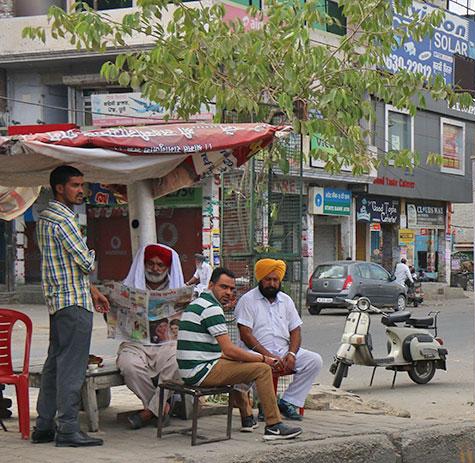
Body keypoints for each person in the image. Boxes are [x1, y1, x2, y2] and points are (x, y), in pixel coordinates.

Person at [32, 165, 110, 447]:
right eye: (75, 185)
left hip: (59, 302)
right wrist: (93, 251)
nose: (81, 191)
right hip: (73, 304)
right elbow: (85, 262)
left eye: (81, 185)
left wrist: (93, 290)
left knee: (54, 363)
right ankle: (67, 428)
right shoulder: (64, 220)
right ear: (60, 188)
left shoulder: (44, 218)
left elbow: (66, 267)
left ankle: (43, 425)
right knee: (71, 367)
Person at [177, 267, 302, 440]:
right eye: (223, 287)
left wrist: (256, 359)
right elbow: (229, 350)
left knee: (247, 365)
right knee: (262, 369)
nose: (228, 292)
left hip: (196, 367)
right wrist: (264, 359)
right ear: (211, 285)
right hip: (201, 371)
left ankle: (247, 416)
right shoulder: (211, 308)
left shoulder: (199, 303)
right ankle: (274, 425)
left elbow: (223, 351)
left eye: (231, 289)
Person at [235, 258, 323, 421]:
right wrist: (267, 356)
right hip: (255, 353)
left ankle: (288, 401)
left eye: (275, 280)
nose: (272, 284)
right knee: (260, 366)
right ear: (260, 280)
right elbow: (245, 334)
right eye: (268, 279)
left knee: (314, 361)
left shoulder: (286, 300)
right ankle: (264, 405)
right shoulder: (247, 300)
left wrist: (291, 354)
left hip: (283, 351)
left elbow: (296, 330)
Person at [117, 243, 185, 429]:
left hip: (167, 344)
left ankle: (148, 413)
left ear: (168, 268)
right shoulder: (128, 287)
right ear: (144, 264)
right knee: (128, 366)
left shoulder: (178, 289)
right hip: (135, 343)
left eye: (160, 265)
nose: (155, 268)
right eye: (151, 263)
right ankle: (160, 408)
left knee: (179, 361)